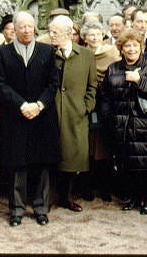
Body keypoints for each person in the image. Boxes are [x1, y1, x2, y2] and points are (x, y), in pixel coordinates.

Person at [0, 11, 60, 226]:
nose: (26, 30)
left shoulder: (47, 51)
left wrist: (39, 105)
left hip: (41, 116)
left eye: (30, 26)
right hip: (15, 116)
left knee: (41, 164)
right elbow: (0, 84)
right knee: (17, 165)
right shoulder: (2, 53)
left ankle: (41, 208)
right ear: (14, 29)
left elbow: (53, 83)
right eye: (22, 26)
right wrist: (22, 104)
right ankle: (16, 210)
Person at [99, 28, 147, 215]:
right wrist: (108, 117)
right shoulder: (113, 69)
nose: (131, 49)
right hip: (121, 125)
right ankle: (134, 198)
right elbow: (105, 96)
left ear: (141, 47)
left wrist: (140, 81)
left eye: (135, 45)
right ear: (121, 49)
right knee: (127, 164)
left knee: (146, 165)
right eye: (127, 46)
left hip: (145, 125)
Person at [49, 16, 97, 212]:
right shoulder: (47, 53)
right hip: (51, 113)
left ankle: (66, 197)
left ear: (69, 34)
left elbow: (92, 85)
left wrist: (86, 107)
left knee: (73, 156)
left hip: (76, 114)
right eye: (50, 31)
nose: (51, 35)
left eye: (55, 32)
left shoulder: (86, 55)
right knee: (51, 155)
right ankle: (49, 197)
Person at [81, 21, 120, 201]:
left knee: (105, 147)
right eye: (91, 34)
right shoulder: (82, 54)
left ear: (102, 35)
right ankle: (87, 186)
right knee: (88, 147)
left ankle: (106, 187)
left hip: (107, 103)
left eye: (97, 34)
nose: (94, 37)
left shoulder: (112, 53)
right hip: (87, 103)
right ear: (85, 37)